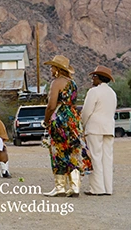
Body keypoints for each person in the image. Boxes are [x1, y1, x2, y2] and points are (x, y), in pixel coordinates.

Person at [42, 55, 92, 198]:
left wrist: (46, 121)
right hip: (73, 119)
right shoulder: (73, 83)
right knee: (73, 151)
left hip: (60, 118)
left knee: (58, 152)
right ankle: (75, 187)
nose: (51, 69)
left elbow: (51, 106)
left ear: (57, 69)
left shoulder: (56, 82)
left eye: (52, 67)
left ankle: (60, 187)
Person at [81, 65, 117, 196]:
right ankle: (108, 188)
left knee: (95, 157)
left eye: (94, 76)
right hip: (109, 128)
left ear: (99, 78)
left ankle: (97, 188)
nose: (92, 79)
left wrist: (82, 125)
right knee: (107, 158)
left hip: (95, 128)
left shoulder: (93, 92)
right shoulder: (112, 93)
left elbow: (86, 111)